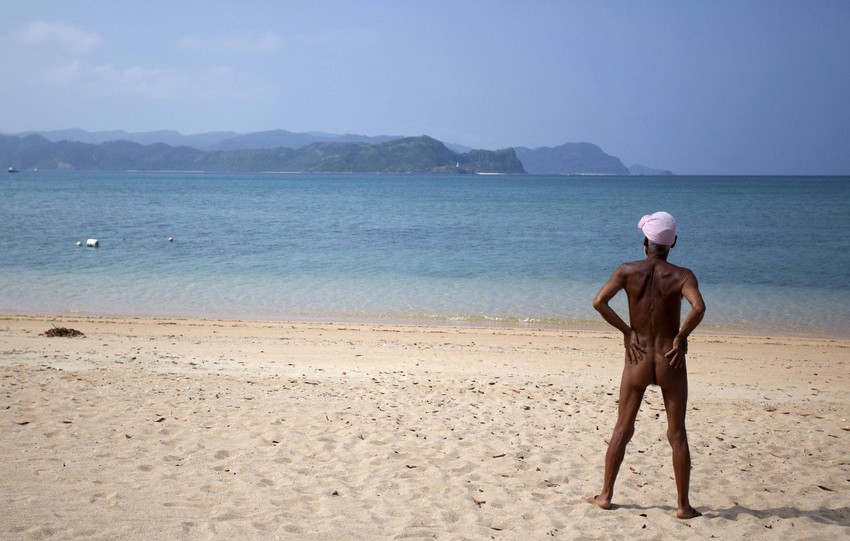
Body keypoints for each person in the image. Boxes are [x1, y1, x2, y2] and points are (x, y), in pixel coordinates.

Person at [589, 211, 706, 519]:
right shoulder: (682, 275)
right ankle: (682, 506)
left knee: (623, 428)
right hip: (670, 358)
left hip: (638, 358)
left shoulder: (627, 271)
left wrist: (628, 331)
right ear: (673, 244)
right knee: (677, 434)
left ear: (645, 243)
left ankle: (605, 496)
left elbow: (599, 301)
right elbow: (698, 307)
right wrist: (681, 337)